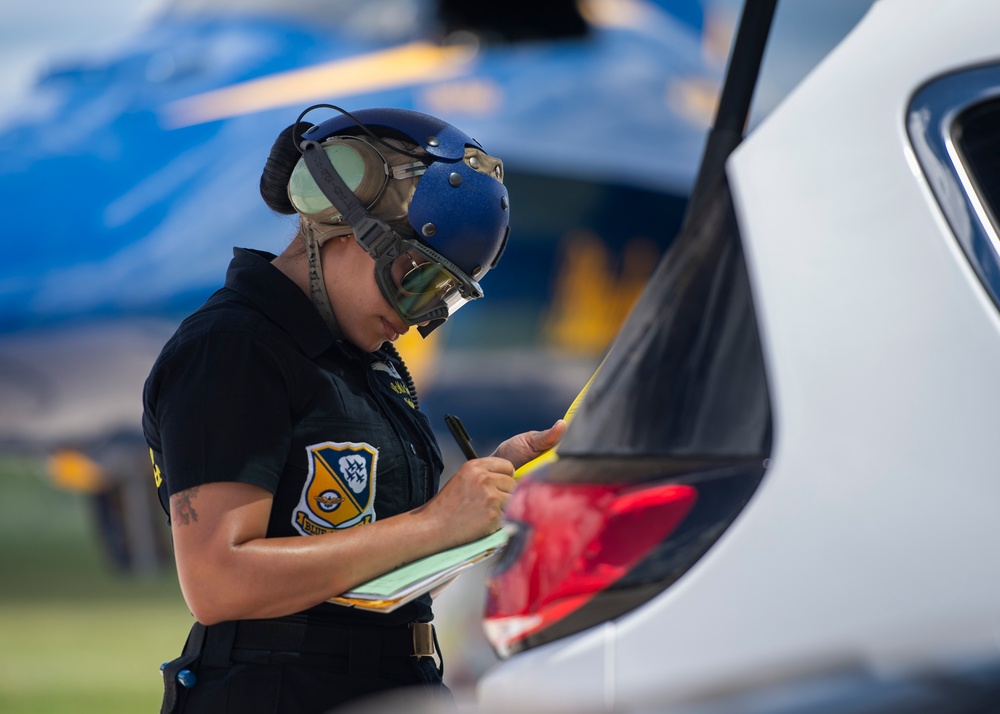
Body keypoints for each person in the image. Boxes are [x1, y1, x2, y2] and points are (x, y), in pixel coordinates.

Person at [142, 105, 566, 714]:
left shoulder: (363, 360)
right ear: (344, 223)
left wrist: (492, 494)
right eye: (416, 278)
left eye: (445, 296)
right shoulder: (232, 348)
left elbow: (380, 576)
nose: (421, 316)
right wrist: (435, 523)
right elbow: (217, 581)